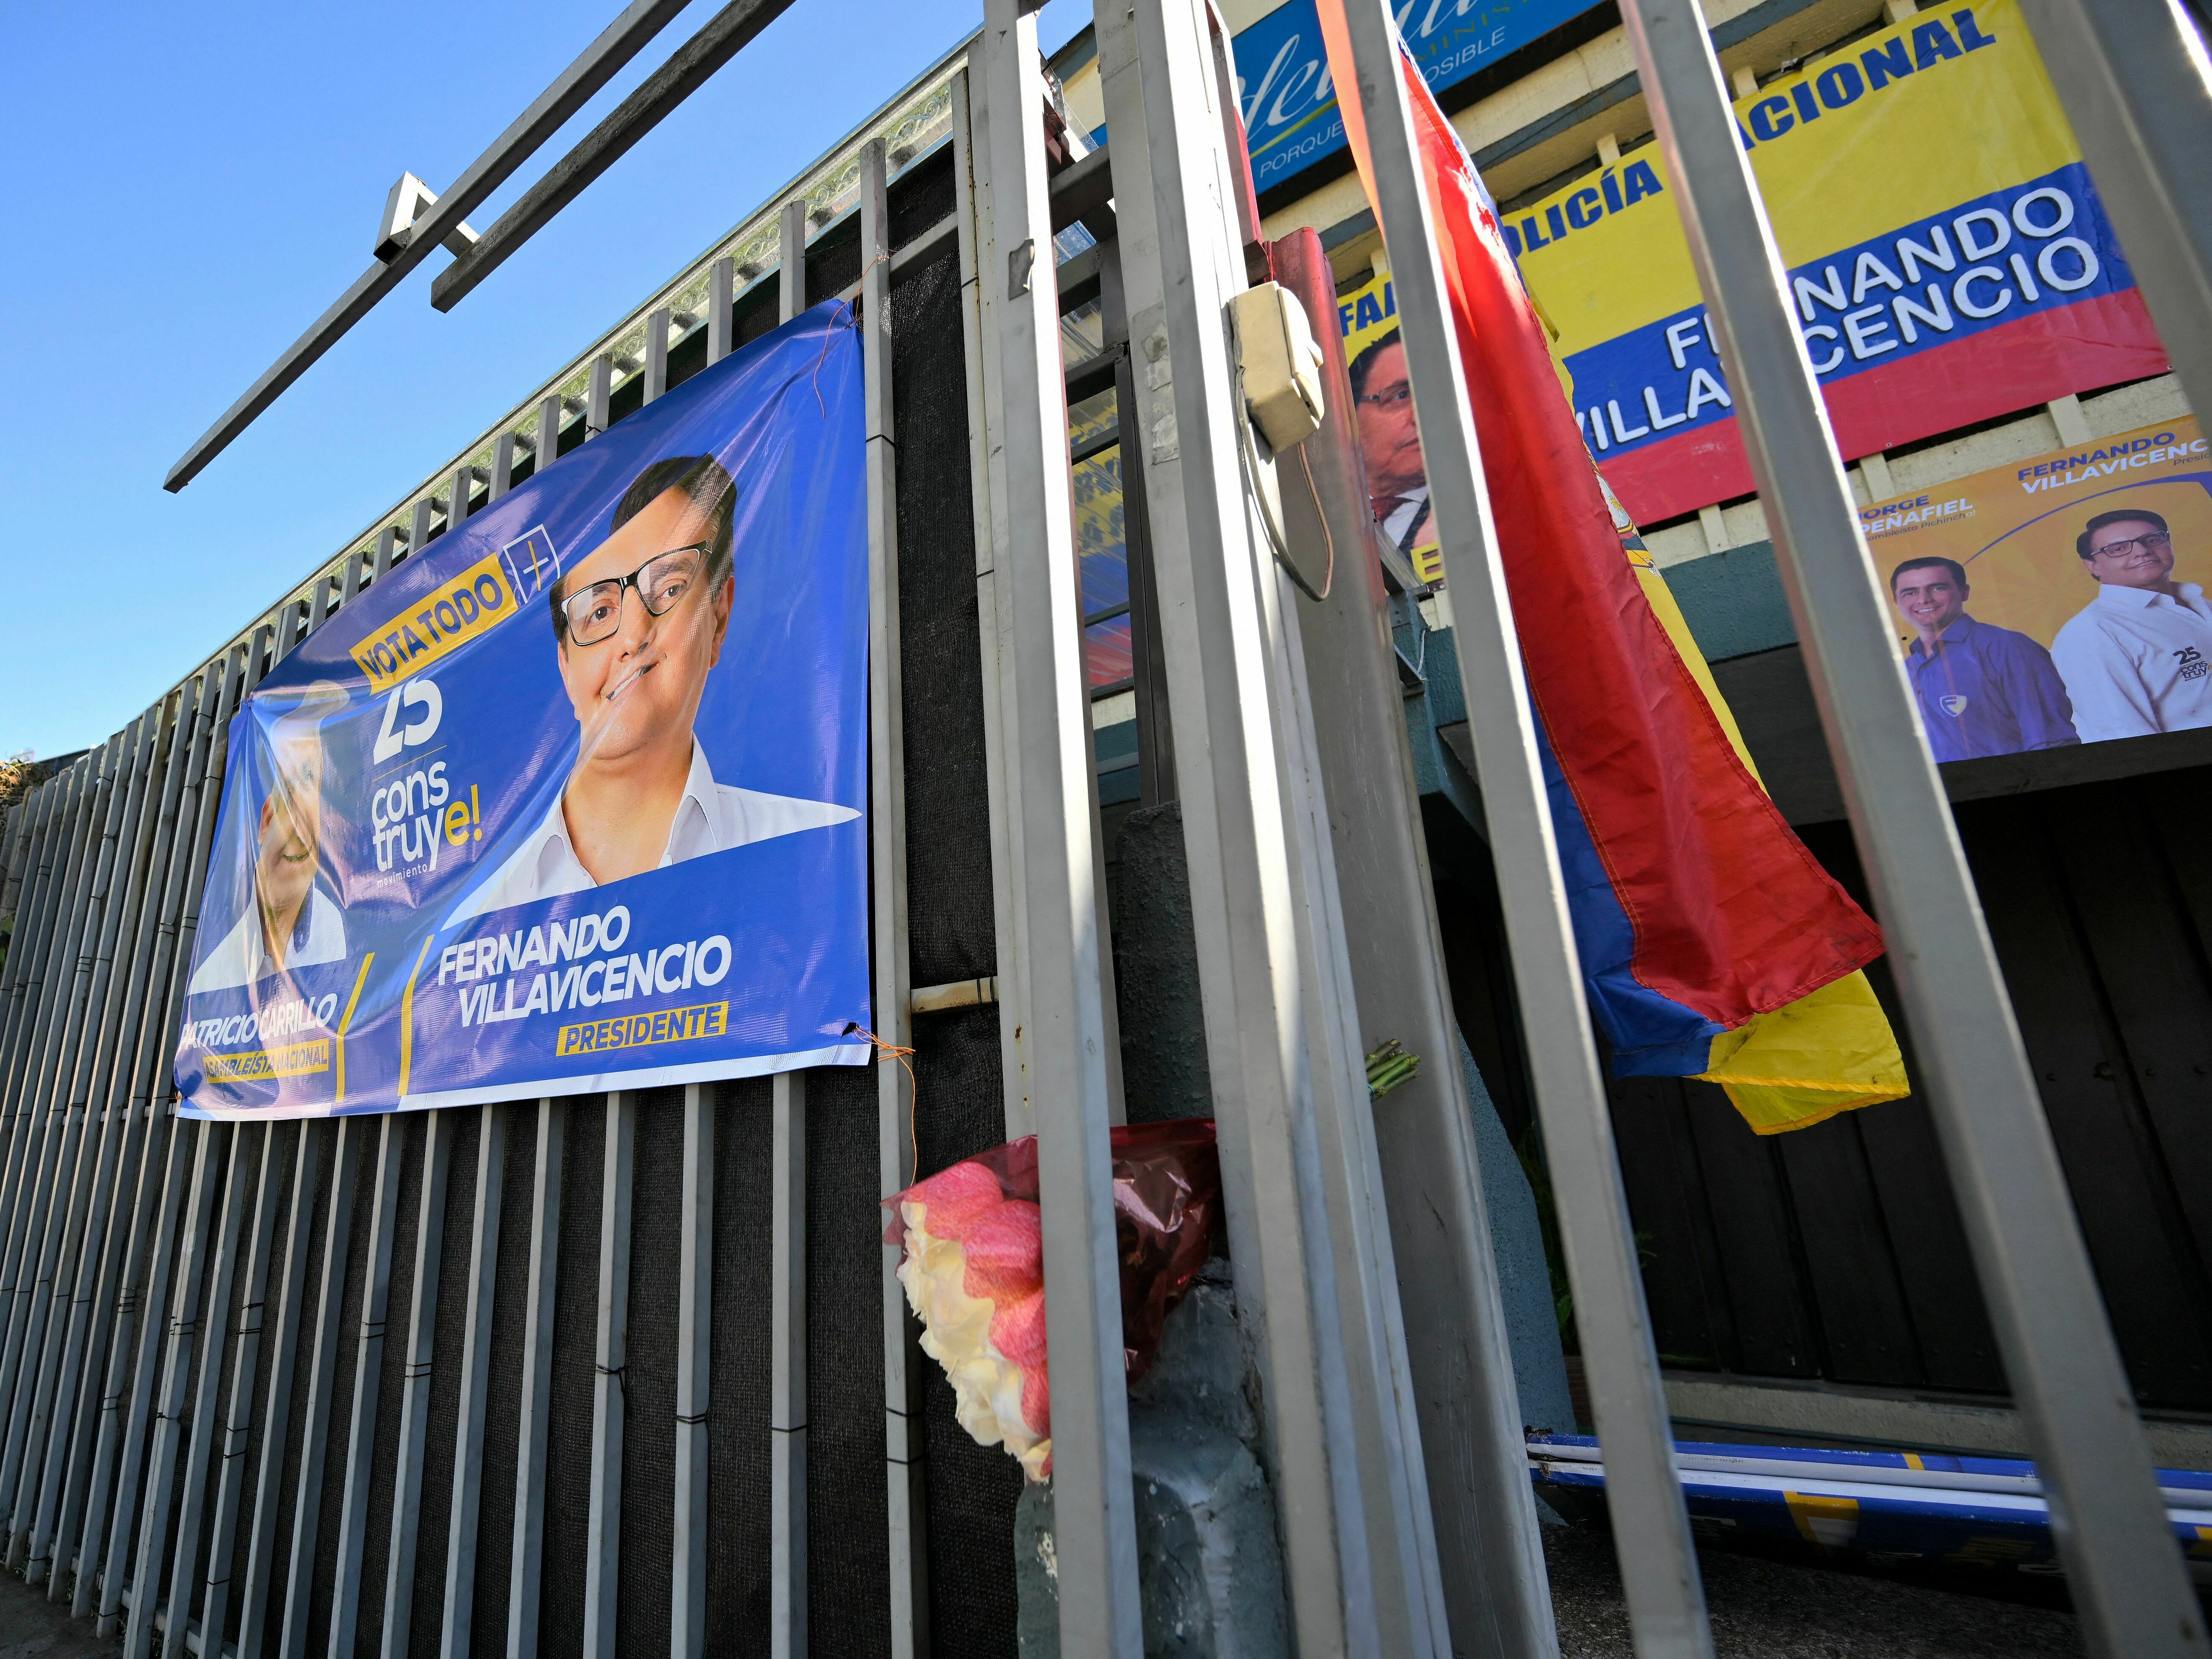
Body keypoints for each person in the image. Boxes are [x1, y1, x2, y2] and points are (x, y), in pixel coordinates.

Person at [453, 453, 857, 921]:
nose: (632, 638)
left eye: (668, 590)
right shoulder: (478, 926)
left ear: (719, 617)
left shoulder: (817, 854)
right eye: (599, 612)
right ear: (564, 666)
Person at [188, 682, 350, 993]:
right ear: (265, 820)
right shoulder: (212, 981)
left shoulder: (343, 946)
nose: (307, 821)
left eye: (325, 793)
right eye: (301, 780)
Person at [1888, 555, 2077, 761]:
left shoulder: (2006, 647)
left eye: (1938, 588)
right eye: (1910, 592)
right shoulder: (1906, 669)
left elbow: (2050, 739)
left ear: (1964, 592)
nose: (1924, 599)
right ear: (1896, 603)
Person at [2050, 508, 2212, 742]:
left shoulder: (2204, 605)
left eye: (2152, 539)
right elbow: (2123, 738)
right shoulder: (2092, 632)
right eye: (2118, 549)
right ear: (2092, 566)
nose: (2143, 552)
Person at [1348, 330, 1439, 576]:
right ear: (1351, 418)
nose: (1419, 415)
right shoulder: (1324, 521)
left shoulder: (1467, 507)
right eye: (1400, 396)